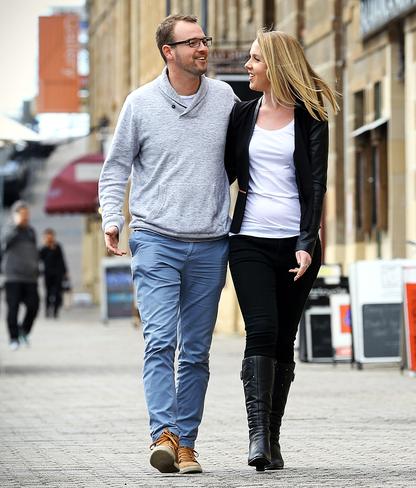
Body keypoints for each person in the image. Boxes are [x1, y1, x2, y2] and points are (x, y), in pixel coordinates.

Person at [98, 14, 236, 475]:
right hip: (156, 239)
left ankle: (187, 444)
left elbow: (244, 161)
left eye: (204, 40)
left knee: (196, 350)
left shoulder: (225, 99)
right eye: (192, 42)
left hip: (211, 243)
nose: (203, 48)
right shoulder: (139, 105)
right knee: (160, 341)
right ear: (168, 52)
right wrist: (112, 218)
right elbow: (115, 168)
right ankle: (163, 435)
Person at [225, 29, 339, 471]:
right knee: (263, 331)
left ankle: (272, 438)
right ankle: (256, 436)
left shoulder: (311, 116)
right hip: (248, 240)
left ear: (275, 65)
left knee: (285, 341)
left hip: (296, 246)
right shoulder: (242, 116)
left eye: (255, 59)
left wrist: (307, 243)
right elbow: (224, 174)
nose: (247, 66)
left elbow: (317, 186)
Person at [1, 201, 40, 350]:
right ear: (15, 215)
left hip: (30, 277)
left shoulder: (30, 231)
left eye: (27, 214)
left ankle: (24, 331)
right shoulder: (9, 230)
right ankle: (13, 338)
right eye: (22, 214)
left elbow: (33, 251)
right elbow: (3, 243)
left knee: (34, 306)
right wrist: (15, 226)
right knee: (13, 309)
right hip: (13, 277)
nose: (25, 217)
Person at [39, 228, 68, 318]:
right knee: (48, 293)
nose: (49, 238)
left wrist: (65, 271)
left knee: (57, 293)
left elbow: (62, 260)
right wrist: (46, 247)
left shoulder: (58, 247)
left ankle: (55, 311)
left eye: (51, 236)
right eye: (47, 236)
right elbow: (39, 259)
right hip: (48, 274)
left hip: (58, 274)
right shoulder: (43, 249)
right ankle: (47, 311)